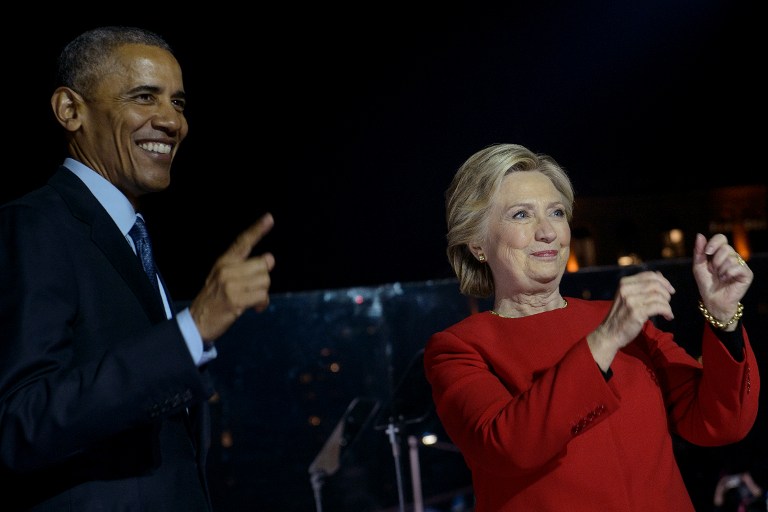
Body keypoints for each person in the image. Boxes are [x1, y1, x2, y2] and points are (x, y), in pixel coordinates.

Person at [0, 27, 275, 511]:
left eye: (179, 103)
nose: (171, 121)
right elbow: (23, 422)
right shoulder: (34, 227)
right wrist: (193, 329)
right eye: (145, 97)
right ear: (70, 110)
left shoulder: (130, 238)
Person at [423, 143, 760, 511]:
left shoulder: (623, 320)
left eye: (556, 212)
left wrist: (724, 316)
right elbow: (506, 446)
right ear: (477, 243)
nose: (548, 232)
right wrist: (607, 338)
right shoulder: (457, 347)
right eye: (521, 215)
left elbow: (720, 423)